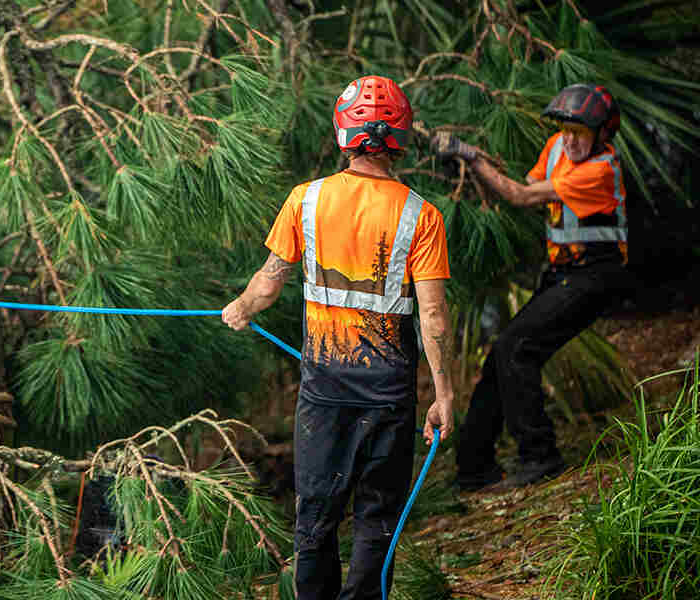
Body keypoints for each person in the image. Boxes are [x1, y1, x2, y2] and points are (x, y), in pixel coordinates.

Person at [221, 75, 455, 600]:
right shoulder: (422, 215)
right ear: (399, 137)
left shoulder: (306, 200)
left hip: (324, 391)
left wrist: (240, 308)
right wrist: (443, 395)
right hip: (388, 394)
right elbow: (434, 316)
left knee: (315, 518)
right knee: (378, 519)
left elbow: (267, 284)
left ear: (343, 134)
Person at [433, 83, 630, 491]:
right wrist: (469, 171)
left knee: (517, 349)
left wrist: (469, 154)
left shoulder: (601, 169)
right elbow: (515, 185)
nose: (570, 140)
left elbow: (521, 195)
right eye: (565, 129)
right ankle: (473, 466)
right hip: (562, 274)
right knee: (501, 356)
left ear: (601, 134)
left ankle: (541, 456)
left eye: (580, 132)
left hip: (596, 276)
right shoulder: (556, 147)